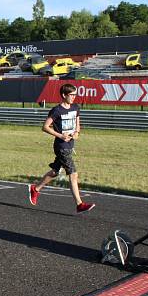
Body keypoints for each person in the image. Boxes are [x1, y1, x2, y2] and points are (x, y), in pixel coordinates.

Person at [28, 83, 95, 214]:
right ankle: (79, 204)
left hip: (70, 145)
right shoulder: (57, 110)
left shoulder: (76, 108)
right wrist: (60, 135)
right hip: (61, 146)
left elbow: (78, 126)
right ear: (64, 95)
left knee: (55, 172)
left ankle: (35, 189)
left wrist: (76, 133)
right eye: (71, 95)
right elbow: (45, 127)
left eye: (75, 94)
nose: (74, 97)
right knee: (73, 174)